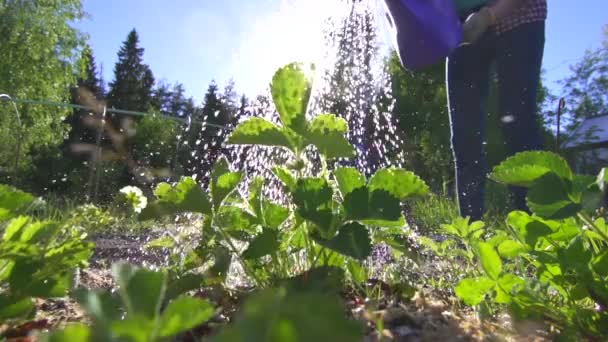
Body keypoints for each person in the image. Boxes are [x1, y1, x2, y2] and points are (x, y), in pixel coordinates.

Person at [447, 0, 547, 220]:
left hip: (519, 13)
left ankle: (537, 229)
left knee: (517, 121)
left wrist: (489, 15)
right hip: (461, 26)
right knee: (465, 135)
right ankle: (471, 232)